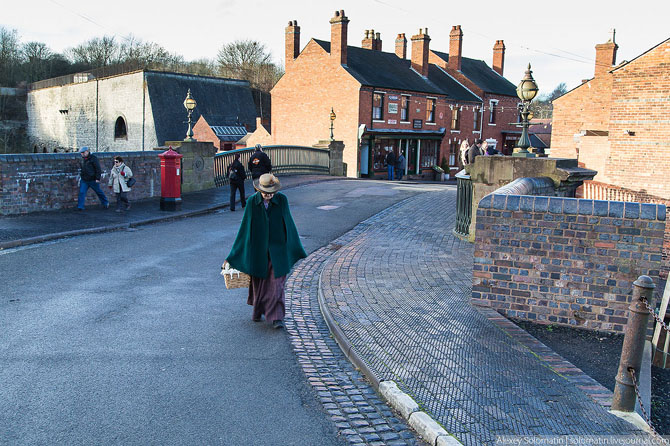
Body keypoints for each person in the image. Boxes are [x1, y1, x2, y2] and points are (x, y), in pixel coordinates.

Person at [226, 173, 307, 329]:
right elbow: (244, 229)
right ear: (258, 189)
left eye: (271, 192)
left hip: (278, 249)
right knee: (260, 283)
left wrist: (294, 247)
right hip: (258, 250)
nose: (268, 195)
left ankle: (277, 318)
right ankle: (258, 311)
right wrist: (233, 255)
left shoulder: (282, 200)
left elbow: (289, 224)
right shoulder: (251, 202)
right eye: (265, 192)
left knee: (277, 284)